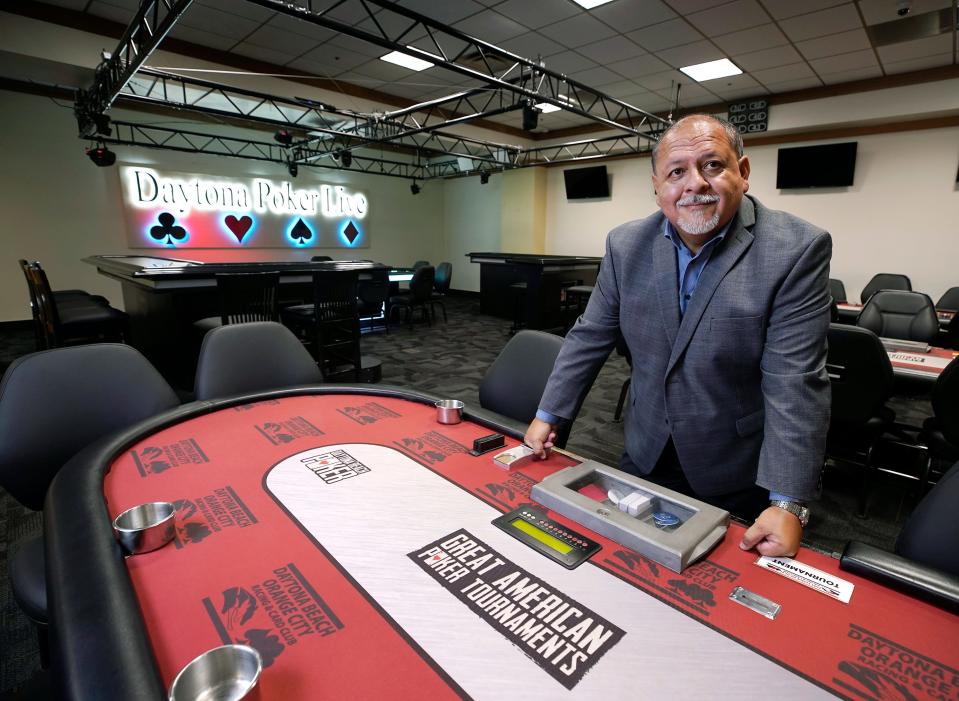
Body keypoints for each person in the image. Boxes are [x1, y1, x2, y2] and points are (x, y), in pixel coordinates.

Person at [525, 114, 831, 558]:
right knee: (630, 568)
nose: (694, 184)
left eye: (711, 166)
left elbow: (795, 380)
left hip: (733, 463)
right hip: (645, 446)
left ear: (742, 173)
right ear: (657, 186)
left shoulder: (796, 249)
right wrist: (551, 412)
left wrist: (787, 501)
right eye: (676, 172)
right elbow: (590, 334)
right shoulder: (625, 244)